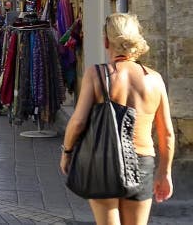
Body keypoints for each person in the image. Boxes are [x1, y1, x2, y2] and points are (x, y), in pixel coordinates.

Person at [60, 13, 174, 225]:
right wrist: (164, 172)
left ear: (106, 41)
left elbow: (77, 122)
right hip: (142, 162)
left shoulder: (97, 74)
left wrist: (67, 152)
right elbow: (166, 133)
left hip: (103, 160)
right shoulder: (154, 79)